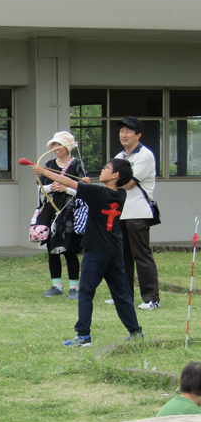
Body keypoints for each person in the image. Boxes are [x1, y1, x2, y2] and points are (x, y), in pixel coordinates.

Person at [31, 159, 144, 346]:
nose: (102, 169)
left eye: (106, 168)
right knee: (121, 293)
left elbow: (66, 182)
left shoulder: (98, 192)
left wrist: (41, 170)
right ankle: (135, 332)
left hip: (96, 252)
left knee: (85, 293)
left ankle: (83, 336)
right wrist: (89, 188)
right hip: (114, 251)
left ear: (115, 175)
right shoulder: (121, 194)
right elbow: (100, 195)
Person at [114, 116, 161, 310]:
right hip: (121, 212)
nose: (123, 134)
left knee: (141, 255)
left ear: (138, 135)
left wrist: (110, 182)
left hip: (138, 212)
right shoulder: (119, 156)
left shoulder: (145, 155)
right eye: (121, 131)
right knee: (122, 256)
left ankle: (151, 298)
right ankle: (125, 295)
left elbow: (129, 182)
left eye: (128, 131)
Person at [37, 131, 89, 301]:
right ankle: (56, 286)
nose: (56, 148)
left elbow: (86, 191)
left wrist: (66, 189)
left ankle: (74, 288)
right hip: (53, 212)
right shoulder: (49, 164)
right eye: (54, 145)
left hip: (71, 213)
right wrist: (52, 187)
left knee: (70, 250)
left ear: (68, 146)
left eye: (59, 145)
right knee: (52, 250)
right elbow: (40, 188)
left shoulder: (77, 165)